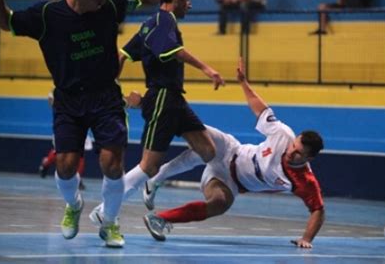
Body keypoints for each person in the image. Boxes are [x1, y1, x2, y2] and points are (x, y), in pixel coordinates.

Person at [0, 0, 159, 248]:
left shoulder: (108, 3)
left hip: (105, 96)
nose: (100, 2)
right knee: (66, 166)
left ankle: (109, 222)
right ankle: (74, 205)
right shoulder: (46, 15)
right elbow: (7, 23)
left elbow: (151, 0)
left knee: (112, 163)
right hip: (68, 100)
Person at [139, 60, 325, 248]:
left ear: (309, 159)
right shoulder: (283, 134)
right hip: (230, 150)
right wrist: (243, 82)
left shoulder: (305, 181)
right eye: (293, 146)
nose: (291, 152)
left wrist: (307, 239)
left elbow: (318, 209)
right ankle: (154, 178)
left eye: (298, 153)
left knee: (219, 204)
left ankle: (160, 219)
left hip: (228, 182)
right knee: (195, 134)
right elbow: (260, 109)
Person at [88, 0, 225, 225]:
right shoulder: (164, 21)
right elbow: (174, 51)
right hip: (163, 97)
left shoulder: (148, 25)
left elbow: (123, 54)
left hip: (174, 99)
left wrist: (112, 84)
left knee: (207, 150)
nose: (189, 5)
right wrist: (207, 69)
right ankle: (104, 209)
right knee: (148, 165)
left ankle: (156, 180)